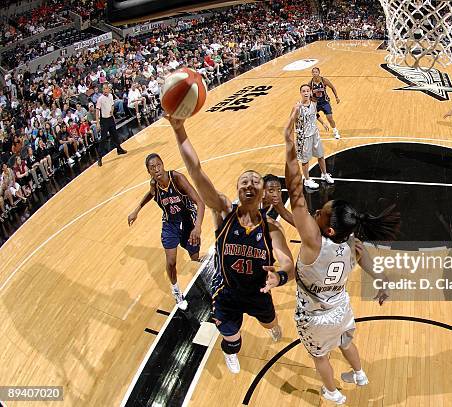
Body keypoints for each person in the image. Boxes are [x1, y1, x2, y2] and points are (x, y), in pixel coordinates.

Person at [283, 107, 399, 405]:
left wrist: (289, 148)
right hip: (341, 307)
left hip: (316, 315)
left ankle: (332, 392)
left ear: (330, 229)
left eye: (320, 213)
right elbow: (369, 262)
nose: (316, 211)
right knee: (347, 340)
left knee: (319, 356)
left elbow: (296, 196)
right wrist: (383, 283)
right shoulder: (352, 243)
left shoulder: (313, 243)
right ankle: (359, 374)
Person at [165, 116, 295, 374]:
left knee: (271, 324)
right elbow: (196, 172)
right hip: (227, 293)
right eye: (244, 181)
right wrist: (179, 130)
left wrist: (279, 278)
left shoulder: (272, 228)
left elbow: (289, 265)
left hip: (258, 292)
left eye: (255, 182)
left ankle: (273, 326)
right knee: (231, 338)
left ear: (262, 194)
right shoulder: (223, 211)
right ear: (237, 190)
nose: (249, 184)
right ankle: (231, 351)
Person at [128, 154, 204, 309]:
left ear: (163, 164)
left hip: (188, 220)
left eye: (158, 165)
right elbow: (150, 194)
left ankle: (201, 277)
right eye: (152, 168)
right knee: (170, 262)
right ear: (148, 171)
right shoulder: (154, 185)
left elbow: (200, 203)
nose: (157, 170)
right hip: (170, 224)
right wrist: (136, 210)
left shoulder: (177, 179)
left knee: (194, 258)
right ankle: (176, 292)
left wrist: (197, 227)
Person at [292, 84, 334, 190]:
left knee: (320, 155)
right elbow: (290, 121)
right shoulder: (297, 107)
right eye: (303, 91)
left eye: (307, 91)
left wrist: (323, 123)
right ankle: (307, 180)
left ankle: (324, 174)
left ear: (310, 92)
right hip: (304, 136)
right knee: (305, 160)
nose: (306, 93)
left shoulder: (313, 103)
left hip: (315, 133)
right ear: (300, 93)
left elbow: (315, 114)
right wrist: (291, 136)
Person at [95, 84, 127, 167]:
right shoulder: (100, 99)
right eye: (105, 88)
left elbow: (112, 105)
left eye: (107, 88)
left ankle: (119, 149)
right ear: (103, 90)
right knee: (103, 139)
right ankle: (99, 157)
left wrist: (112, 111)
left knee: (115, 135)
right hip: (104, 120)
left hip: (110, 119)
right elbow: (97, 110)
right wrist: (98, 122)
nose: (106, 89)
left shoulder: (111, 96)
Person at [310, 67, 341, 139]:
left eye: (316, 72)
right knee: (312, 116)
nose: (315, 73)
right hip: (316, 103)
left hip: (325, 102)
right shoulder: (310, 83)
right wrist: (310, 99)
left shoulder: (324, 80)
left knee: (329, 118)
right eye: (313, 72)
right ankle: (313, 132)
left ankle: (335, 131)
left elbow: (332, 87)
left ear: (319, 73)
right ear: (312, 73)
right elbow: (308, 92)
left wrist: (336, 97)